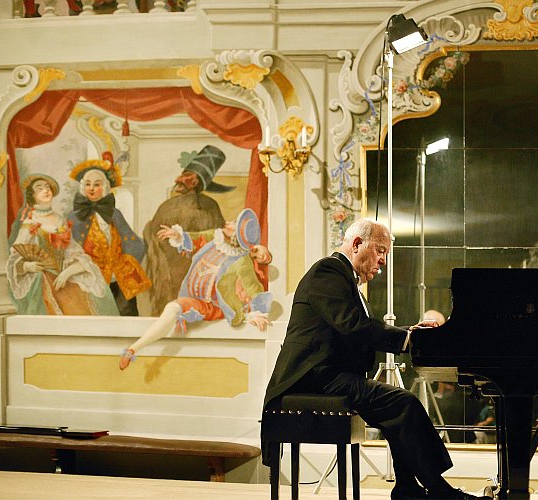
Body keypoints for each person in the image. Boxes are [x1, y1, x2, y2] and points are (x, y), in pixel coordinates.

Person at [262, 218, 490, 500]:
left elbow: (355, 330)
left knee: (397, 409)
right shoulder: (328, 271)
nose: (383, 261)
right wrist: (408, 340)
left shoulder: (346, 280)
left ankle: (408, 487)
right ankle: (438, 490)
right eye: (380, 250)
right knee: (403, 403)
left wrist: (408, 332)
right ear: (357, 244)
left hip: (329, 376)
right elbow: (354, 326)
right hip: (311, 377)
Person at [120, 208, 271, 370]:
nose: (228, 223)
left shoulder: (242, 261)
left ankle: (133, 349)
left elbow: (253, 286)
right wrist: (179, 236)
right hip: (193, 296)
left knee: (173, 308)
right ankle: (132, 349)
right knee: (172, 308)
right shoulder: (216, 237)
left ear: (238, 235)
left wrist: (257, 313)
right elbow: (198, 237)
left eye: (233, 224)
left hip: (212, 305)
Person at [6, 173, 119, 316]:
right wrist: (28, 266)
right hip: (41, 281)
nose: (46, 190)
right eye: (39, 189)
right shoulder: (30, 222)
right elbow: (15, 257)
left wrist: (67, 272)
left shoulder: (59, 220)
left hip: (63, 277)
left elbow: (73, 252)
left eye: (47, 187)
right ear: (32, 196)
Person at [143, 145, 233, 316]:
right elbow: (153, 234)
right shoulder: (168, 206)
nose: (179, 179)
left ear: (196, 182)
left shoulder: (209, 206)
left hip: (198, 268)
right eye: (182, 175)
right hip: (167, 268)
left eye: (187, 177)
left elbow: (217, 239)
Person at [67, 154, 151, 316]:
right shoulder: (73, 217)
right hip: (90, 277)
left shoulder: (114, 214)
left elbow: (132, 241)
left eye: (96, 184)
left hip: (118, 275)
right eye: (88, 184)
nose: (91, 188)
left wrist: (127, 263)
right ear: (83, 187)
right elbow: (68, 248)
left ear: (104, 188)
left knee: (126, 313)